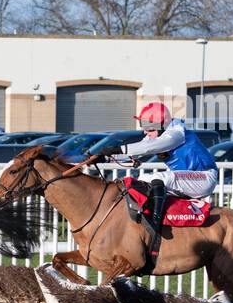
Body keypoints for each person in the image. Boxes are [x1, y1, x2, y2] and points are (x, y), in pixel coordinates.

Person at [91, 102, 218, 238]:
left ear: (163, 125)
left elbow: (149, 147)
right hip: (189, 179)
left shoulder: (176, 134)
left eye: (148, 127)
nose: (145, 131)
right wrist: (105, 158)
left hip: (204, 178)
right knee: (142, 179)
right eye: (143, 126)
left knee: (162, 178)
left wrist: (117, 148)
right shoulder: (160, 133)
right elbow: (138, 148)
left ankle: (155, 222)